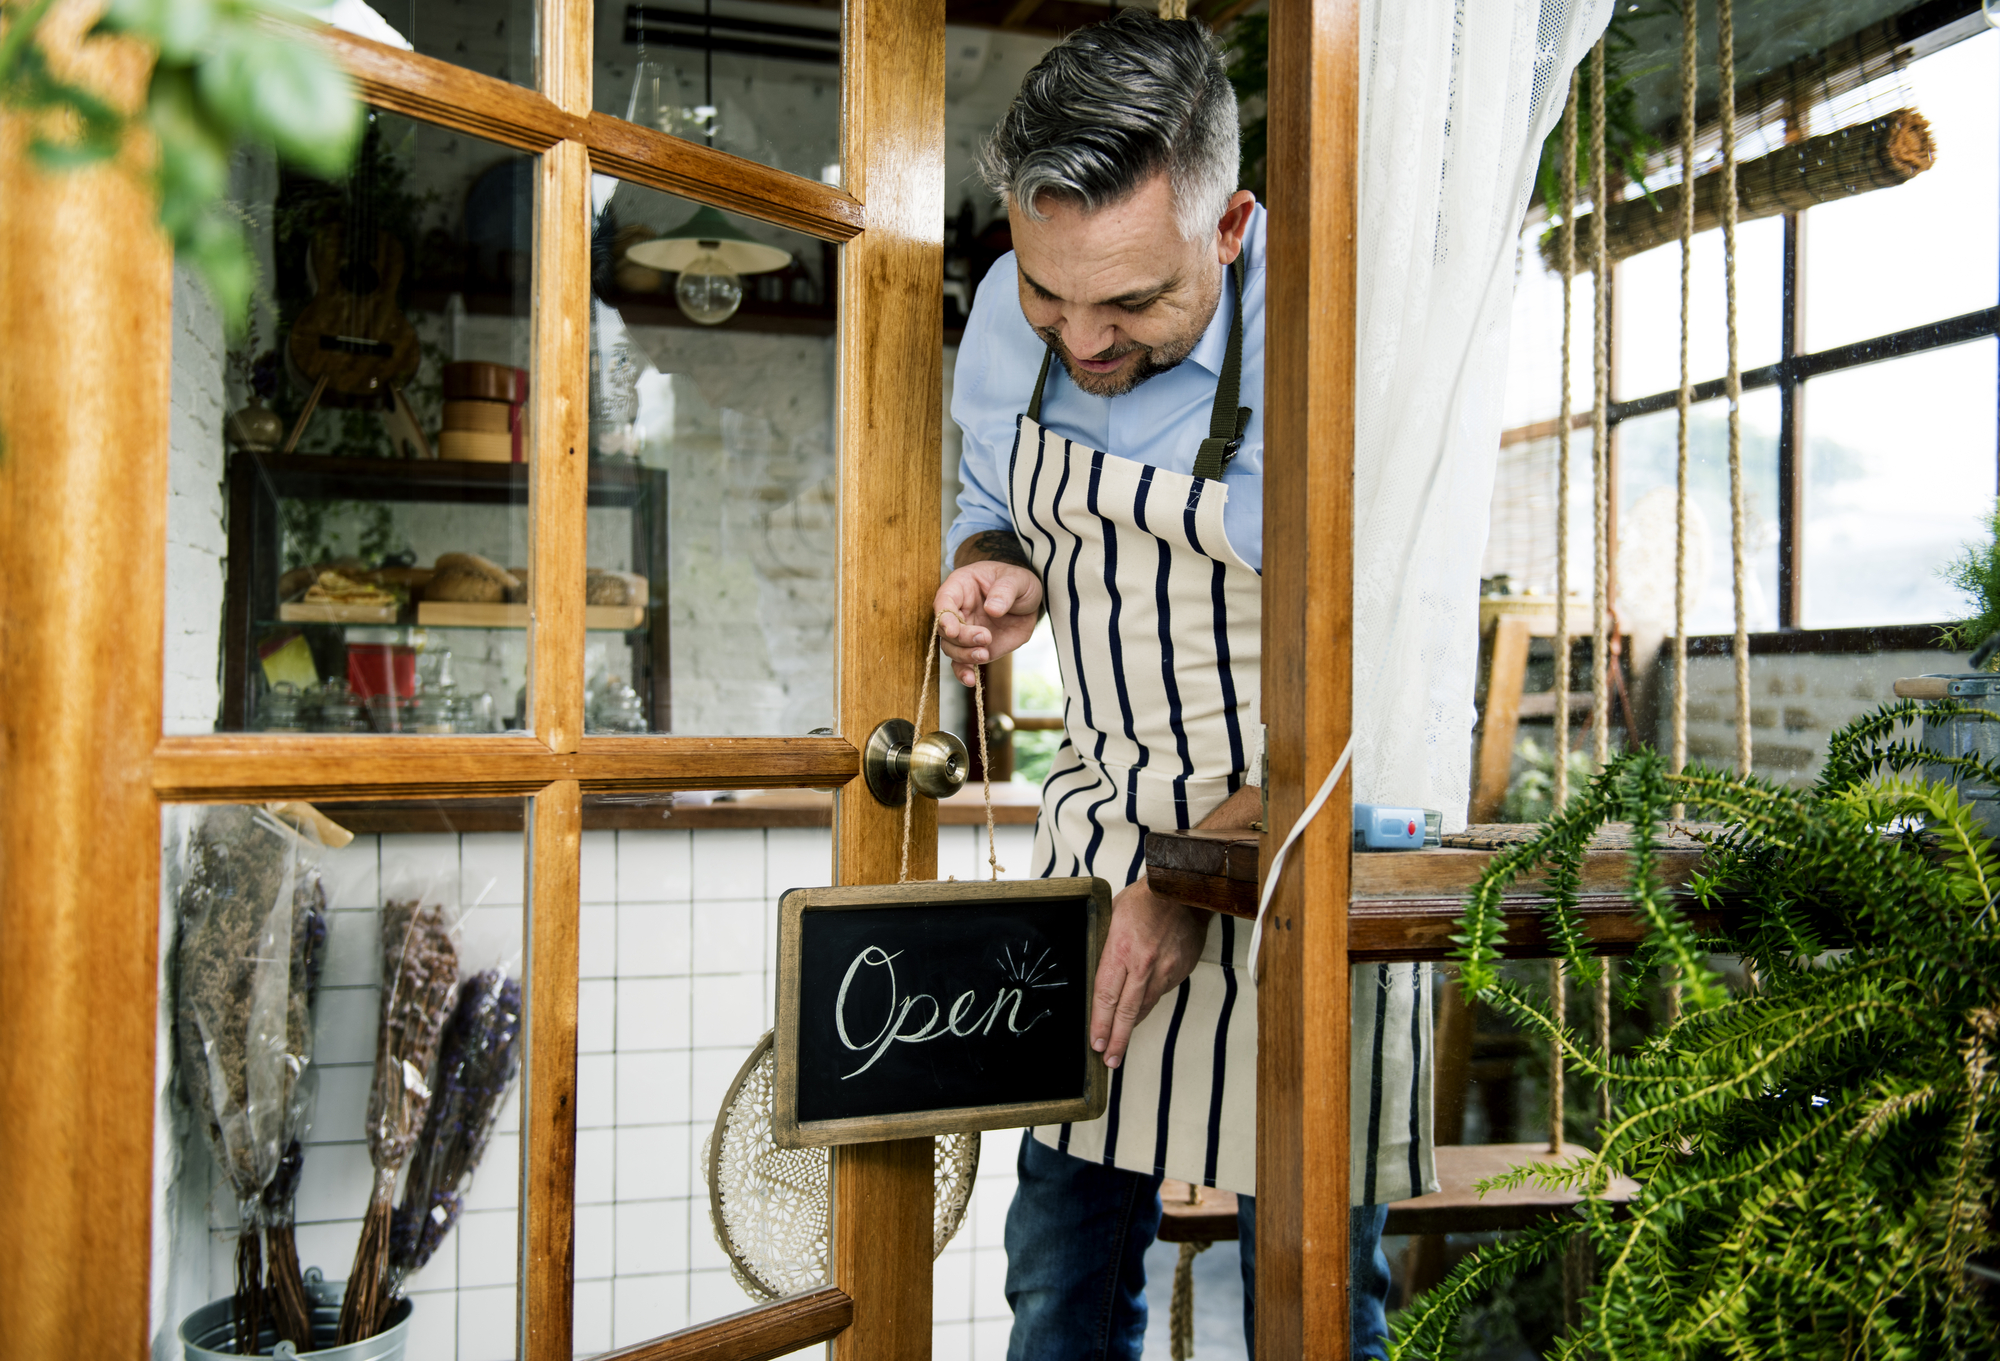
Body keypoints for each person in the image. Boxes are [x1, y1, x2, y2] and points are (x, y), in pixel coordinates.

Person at [934, 12, 1432, 1359]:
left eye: (1132, 304)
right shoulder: (1003, 314)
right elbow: (989, 499)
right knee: (1060, 1278)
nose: (1081, 340)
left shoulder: (1330, 341)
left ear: (1230, 226)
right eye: (1052, 292)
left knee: (1316, 1296)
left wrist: (1198, 872)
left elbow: (1375, 670)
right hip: (1099, 844)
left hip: (1297, 850)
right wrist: (994, 567)